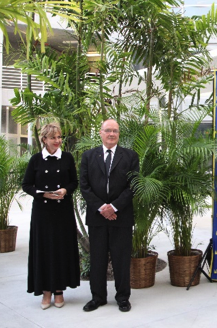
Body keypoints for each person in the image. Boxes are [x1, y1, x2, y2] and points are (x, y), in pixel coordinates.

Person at [80, 119, 139, 313]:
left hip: (121, 216)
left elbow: (133, 186)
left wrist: (113, 207)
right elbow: (84, 186)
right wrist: (102, 208)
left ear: (118, 134)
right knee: (97, 259)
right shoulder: (88, 156)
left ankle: (122, 297)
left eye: (115, 131)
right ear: (100, 133)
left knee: (121, 259)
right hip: (97, 217)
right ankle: (98, 297)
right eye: (108, 130)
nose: (111, 134)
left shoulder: (130, 156)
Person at [22, 123, 80, 310]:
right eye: (54, 137)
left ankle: (59, 291)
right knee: (44, 250)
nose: (58, 141)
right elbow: (26, 185)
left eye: (59, 137)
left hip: (62, 212)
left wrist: (65, 190)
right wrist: (41, 194)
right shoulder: (36, 160)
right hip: (42, 213)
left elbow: (74, 182)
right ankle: (46, 291)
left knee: (61, 250)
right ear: (44, 139)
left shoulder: (67, 158)